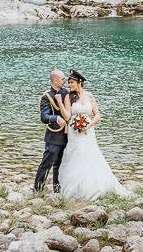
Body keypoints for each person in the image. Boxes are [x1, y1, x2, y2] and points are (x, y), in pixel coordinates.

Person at [57, 69, 128, 199]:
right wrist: (60, 103)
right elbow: (67, 116)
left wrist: (88, 126)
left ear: (79, 82)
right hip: (74, 131)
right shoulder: (68, 97)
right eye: (68, 83)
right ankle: (75, 188)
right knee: (76, 154)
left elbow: (97, 115)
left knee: (91, 154)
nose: (69, 85)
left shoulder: (89, 96)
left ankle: (92, 185)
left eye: (71, 82)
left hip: (88, 131)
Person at [34, 69, 68, 192]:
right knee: (47, 163)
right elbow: (44, 117)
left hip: (67, 135)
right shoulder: (47, 96)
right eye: (62, 79)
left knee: (60, 164)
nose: (65, 81)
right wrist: (56, 118)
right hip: (54, 136)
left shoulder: (66, 93)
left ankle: (57, 189)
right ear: (54, 80)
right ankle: (38, 189)